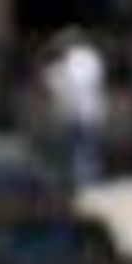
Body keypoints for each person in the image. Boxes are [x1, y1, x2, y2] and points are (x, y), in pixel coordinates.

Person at [40, 29, 109, 191]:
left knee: (74, 151)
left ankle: (80, 184)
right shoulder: (92, 59)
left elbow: (55, 87)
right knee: (88, 150)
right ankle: (88, 183)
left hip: (71, 113)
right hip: (89, 113)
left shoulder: (63, 63)